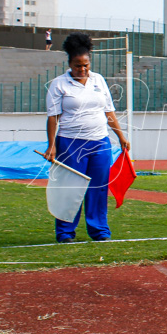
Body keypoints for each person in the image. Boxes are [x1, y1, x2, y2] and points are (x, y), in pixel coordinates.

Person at [44, 32, 130, 242]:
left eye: (86, 65)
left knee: (99, 189)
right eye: (77, 65)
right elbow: (53, 118)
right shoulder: (58, 84)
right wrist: (52, 145)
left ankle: (99, 231)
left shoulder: (98, 80)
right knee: (71, 189)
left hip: (100, 142)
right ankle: (65, 233)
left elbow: (109, 111)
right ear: (69, 63)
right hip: (70, 144)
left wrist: (120, 136)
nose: (82, 69)